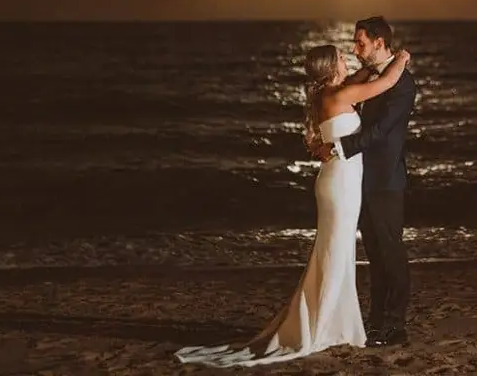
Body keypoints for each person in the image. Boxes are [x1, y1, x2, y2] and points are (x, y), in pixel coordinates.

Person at [174, 43, 411, 367]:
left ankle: (335, 321)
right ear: (331, 68)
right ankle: (326, 324)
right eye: (342, 57)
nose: (348, 57)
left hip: (339, 181)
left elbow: (365, 75)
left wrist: (374, 63)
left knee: (336, 252)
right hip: (340, 185)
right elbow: (384, 84)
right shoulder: (339, 96)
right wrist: (400, 59)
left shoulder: (330, 93)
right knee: (335, 252)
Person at [312, 15, 417, 347]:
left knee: (391, 252)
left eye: (360, 43)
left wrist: (339, 147)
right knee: (374, 253)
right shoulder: (369, 79)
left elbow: (381, 130)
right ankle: (374, 321)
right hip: (357, 181)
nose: (355, 49)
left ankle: (395, 325)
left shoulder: (402, 83)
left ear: (379, 43)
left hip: (385, 181)